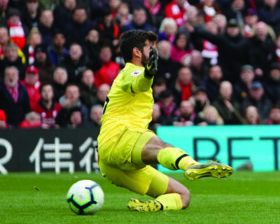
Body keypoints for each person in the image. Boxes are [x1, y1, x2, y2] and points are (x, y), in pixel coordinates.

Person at [97, 30, 233, 212]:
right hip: (118, 138)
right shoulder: (131, 71)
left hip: (110, 163)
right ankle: (193, 165)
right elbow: (138, 82)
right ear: (137, 52)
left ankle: (152, 206)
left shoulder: (126, 75)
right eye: (150, 48)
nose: (156, 53)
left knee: (183, 195)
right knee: (160, 145)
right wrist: (148, 73)